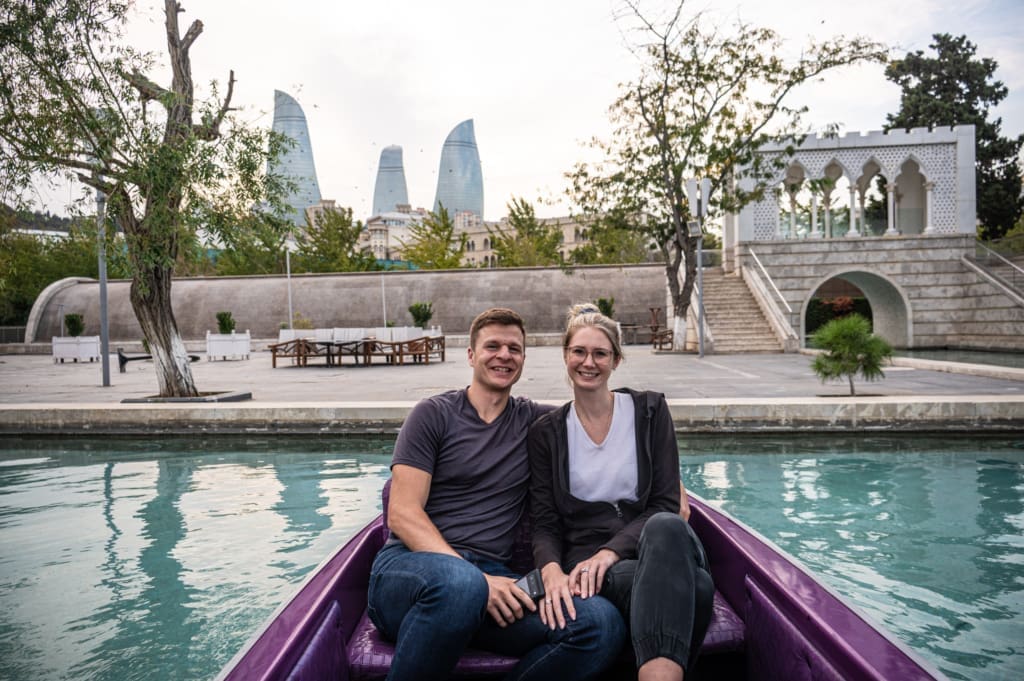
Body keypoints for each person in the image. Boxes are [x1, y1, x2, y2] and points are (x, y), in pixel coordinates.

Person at [367, 307, 626, 681]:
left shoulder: (537, 422)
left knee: (600, 623)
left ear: (523, 360)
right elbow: (403, 513)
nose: (504, 355)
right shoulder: (431, 414)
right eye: (492, 346)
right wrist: (476, 580)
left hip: (495, 581)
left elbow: (609, 428)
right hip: (410, 573)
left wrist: (670, 484)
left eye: (514, 349)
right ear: (471, 355)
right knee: (460, 586)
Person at [527, 304, 714, 681]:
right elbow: (545, 522)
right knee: (697, 587)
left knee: (665, 524)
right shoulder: (546, 432)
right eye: (579, 352)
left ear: (616, 360)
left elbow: (664, 502)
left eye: (600, 353)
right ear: (566, 356)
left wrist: (610, 552)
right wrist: (551, 572)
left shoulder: (649, 411)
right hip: (589, 565)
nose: (588, 362)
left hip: (662, 546)